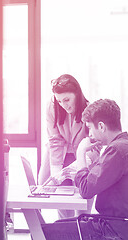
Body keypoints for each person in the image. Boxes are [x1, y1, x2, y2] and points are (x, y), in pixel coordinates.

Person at [42, 99, 128, 240]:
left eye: (90, 128)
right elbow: (96, 177)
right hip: (125, 226)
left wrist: (81, 152)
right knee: (57, 225)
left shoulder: (117, 151)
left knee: (40, 232)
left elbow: (86, 189)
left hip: (113, 229)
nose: (90, 134)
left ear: (101, 126)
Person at [39, 74, 90, 218]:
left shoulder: (89, 109)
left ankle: (83, 230)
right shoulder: (52, 106)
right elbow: (55, 140)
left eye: (67, 99)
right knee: (60, 199)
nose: (63, 104)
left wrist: (76, 166)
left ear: (77, 94)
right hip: (58, 153)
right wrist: (57, 172)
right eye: (60, 101)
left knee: (82, 201)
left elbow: (92, 147)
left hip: (81, 156)